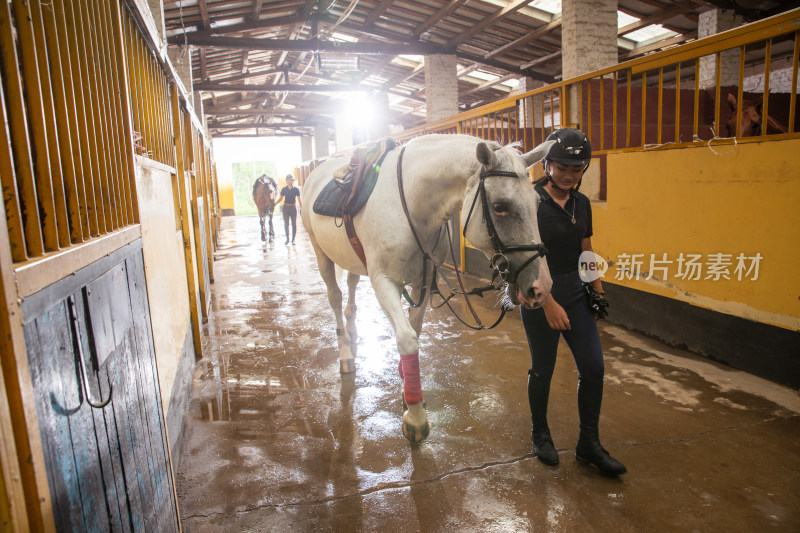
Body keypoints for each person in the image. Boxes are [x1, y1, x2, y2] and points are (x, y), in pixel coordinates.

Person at [521, 128, 626, 476]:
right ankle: (541, 434)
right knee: (543, 368)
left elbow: (586, 249)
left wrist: (598, 291)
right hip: (540, 292)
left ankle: (589, 444)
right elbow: (526, 260)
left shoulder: (581, 203)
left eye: (576, 168)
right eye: (562, 166)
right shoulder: (530, 200)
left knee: (594, 368)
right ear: (547, 163)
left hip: (577, 292)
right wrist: (547, 302)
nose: (568, 174)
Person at [277, 174, 302, 245]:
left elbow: (299, 200)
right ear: (286, 181)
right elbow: (281, 198)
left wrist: (301, 208)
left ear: (292, 181)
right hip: (285, 208)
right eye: (288, 180)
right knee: (286, 224)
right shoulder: (284, 189)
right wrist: (275, 204)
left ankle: (293, 239)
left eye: (290, 180)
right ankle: (287, 239)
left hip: (293, 208)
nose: (289, 181)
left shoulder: (296, 189)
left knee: (294, 224)